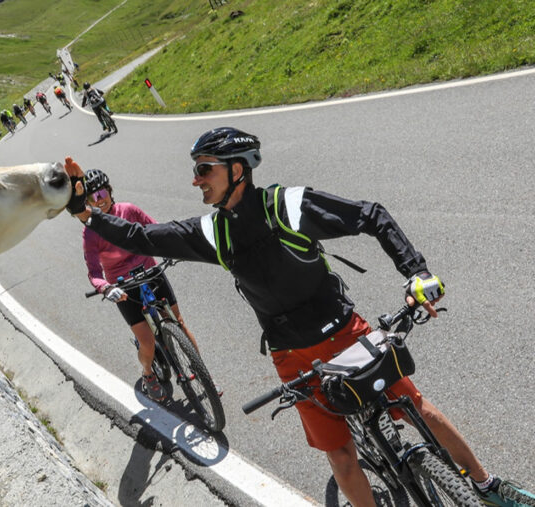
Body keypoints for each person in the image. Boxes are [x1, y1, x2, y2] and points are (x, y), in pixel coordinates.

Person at [63, 127, 535, 507]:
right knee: (342, 457)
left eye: (204, 169)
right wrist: (86, 212)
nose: (196, 180)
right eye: (196, 171)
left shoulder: (286, 206)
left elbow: (371, 215)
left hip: (346, 333)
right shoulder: (212, 231)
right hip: (293, 358)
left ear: (236, 169)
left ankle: (489, 486)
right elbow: (145, 238)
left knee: (416, 409)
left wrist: (417, 273)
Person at [80, 168, 205, 402]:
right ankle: (148, 374)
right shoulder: (90, 233)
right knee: (147, 342)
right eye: (93, 197)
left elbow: (155, 230)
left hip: (150, 271)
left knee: (178, 322)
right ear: (87, 202)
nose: (100, 199)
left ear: (110, 191)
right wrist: (106, 288)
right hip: (123, 286)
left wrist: (171, 247)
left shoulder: (128, 210)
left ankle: (202, 373)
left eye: (103, 192)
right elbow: (94, 273)